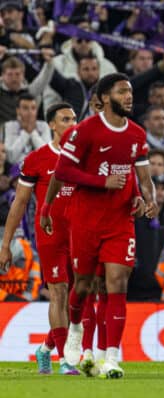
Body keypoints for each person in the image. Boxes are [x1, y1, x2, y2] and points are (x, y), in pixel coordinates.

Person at [43, 73, 158, 379]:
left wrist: (146, 198)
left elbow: (142, 175)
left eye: (131, 91)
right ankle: (76, 329)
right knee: (83, 286)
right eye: (123, 92)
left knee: (117, 281)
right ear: (106, 97)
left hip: (120, 221)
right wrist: (101, 181)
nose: (130, 96)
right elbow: (64, 170)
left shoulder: (136, 134)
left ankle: (112, 357)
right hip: (85, 220)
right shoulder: (85, 132)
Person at [0, 102, 78, 375]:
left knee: (77, 298)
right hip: (50, 235)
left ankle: (46, 348)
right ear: (52, 126)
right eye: (65, 119)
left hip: (81, 235)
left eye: (74, 119)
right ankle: (66, 360)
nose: (72, 124)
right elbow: (19, 204)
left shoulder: (87, 159)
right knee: (58, 292)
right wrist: (6, 245)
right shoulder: (37, 159)